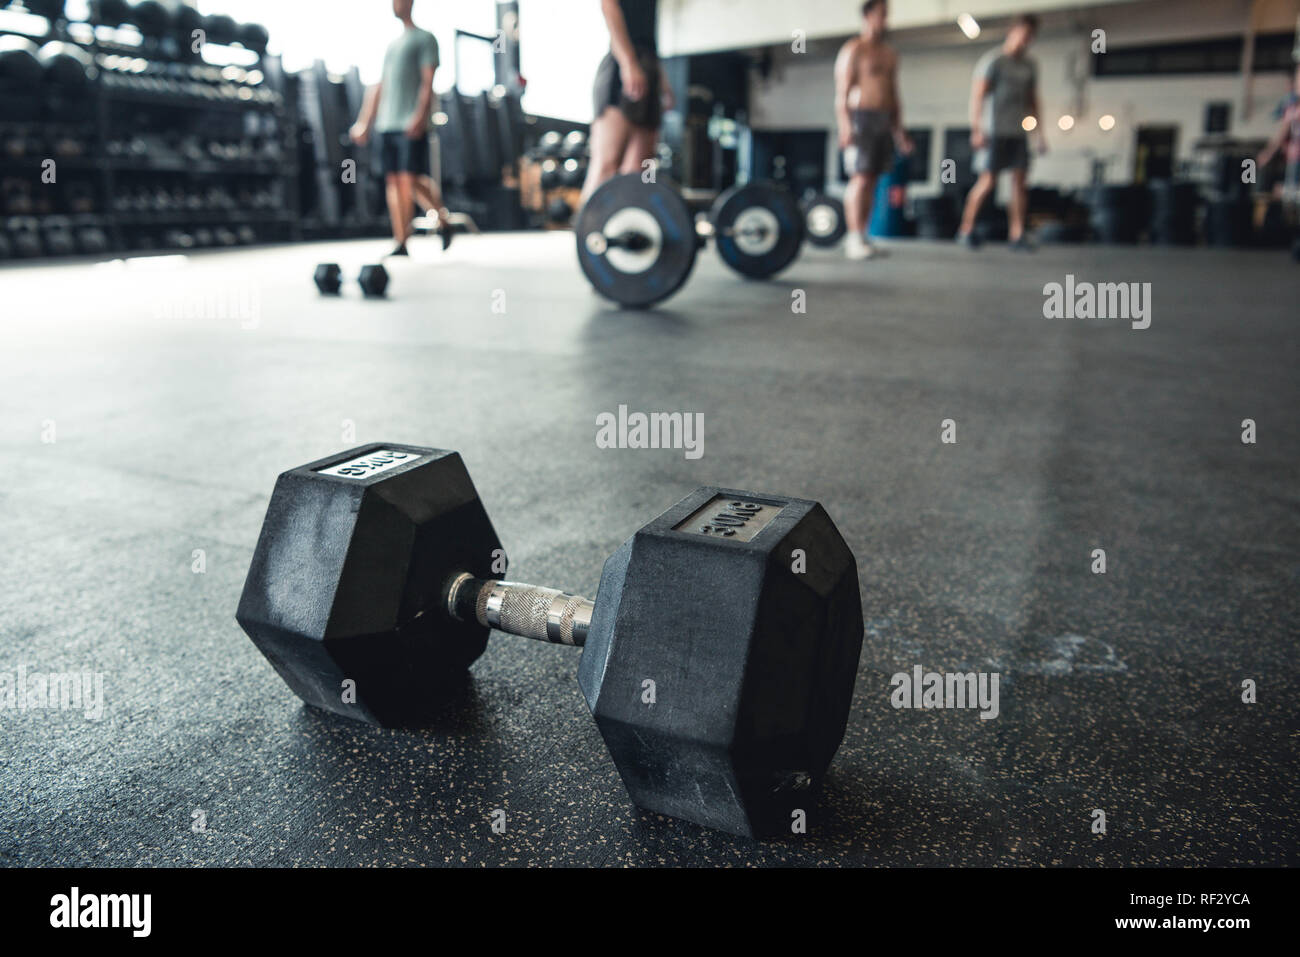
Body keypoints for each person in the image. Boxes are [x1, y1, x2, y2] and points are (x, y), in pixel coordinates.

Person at [349, 0, 452, 257]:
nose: (395, 5)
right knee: (396, 181)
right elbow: (378, 87)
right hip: (387, 124)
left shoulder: (425, 39)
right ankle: (415, 232)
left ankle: (405, 240)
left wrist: (419, 117)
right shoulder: (391, 46)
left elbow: (428, 82)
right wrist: (364, 122)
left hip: (409, 121)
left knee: (408, 179)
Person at [956, 14, 1044, 251]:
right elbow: (978, 97)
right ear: (1012, 32)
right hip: (993, 130)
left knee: (1019, 183)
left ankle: (1016, 234)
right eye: (1022, 35)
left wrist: (1040, 134)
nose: (1024, 41)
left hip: (1017, 131)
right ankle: (966, 229)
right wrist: (976, 129)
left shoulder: (1029, 66)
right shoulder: (993, 62)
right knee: (988, 181)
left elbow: (1033, 101)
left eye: (1029, 37)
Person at [834, 0, 912, 260]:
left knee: (875, 180)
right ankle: (853, 237)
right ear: (868, 15)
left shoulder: (890, 54)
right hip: (860, 118)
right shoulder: (854, 49)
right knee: (861, 177)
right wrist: (845, 126)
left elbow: (894, 94)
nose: (885, 20)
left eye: (887, 15)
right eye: (881, 14)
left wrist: (900, 132)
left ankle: (863, 235)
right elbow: (842, 93)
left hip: (883, 120)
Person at [581, 0, 675, 203]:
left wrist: (662, 81)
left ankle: (626, 230)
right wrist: (628, 63)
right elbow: (608, 6)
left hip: (649, 66)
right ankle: (587, 232)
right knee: (606, 164)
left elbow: (649, 39)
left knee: (640, 170)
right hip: (622, 67)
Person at [1256, 62, 1300, 260]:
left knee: (1291, 195)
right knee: (1290, 196)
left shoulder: (1294, 108)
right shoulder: (1292, 105)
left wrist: (1267, 154)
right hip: (1293, 159)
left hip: (1296, 161)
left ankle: (1284, 190)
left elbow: (1283, 133)